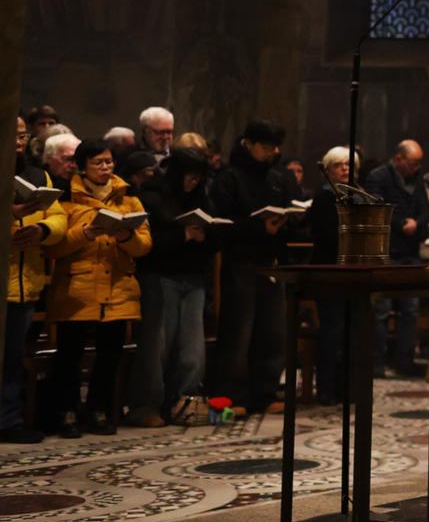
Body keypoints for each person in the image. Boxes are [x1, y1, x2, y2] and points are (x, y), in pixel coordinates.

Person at [45, 140, 153, 436]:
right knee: (70, 356)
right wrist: (86, 233)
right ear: (82, 167)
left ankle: (99, 411)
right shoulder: (66, 199)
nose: (106, 168)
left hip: (118, 288)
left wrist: (123, 237)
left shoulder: (128, 198)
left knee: (109, 356)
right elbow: (54, 249)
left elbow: (144, 246)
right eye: (98, 163)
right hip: (77, 288)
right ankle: (65, 412)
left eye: (108, 162)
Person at [205, 119, 296, 415]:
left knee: (273, 332)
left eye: (275, 147)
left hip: (271, 262)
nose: (273, 152)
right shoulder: (228, 178)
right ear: (249, 144)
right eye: (266, 147)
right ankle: (232, 395)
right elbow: (221, 224)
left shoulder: (277, 177)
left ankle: (265, 393)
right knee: (239, 332)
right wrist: (260, 230)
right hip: (240, 262)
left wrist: (288, 220)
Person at [130, 147, 219, 426]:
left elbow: (216, 236)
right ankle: (147, 404)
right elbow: (148, 243)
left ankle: (184, 402)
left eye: (198, 179)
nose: (193, 184)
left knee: (192, 347)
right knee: (157, 343)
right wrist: (182, 235)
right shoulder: (152, 196)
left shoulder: (202, 198)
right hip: (160, 276)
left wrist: (206, 236)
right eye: (189, 178)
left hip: (193, 277)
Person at [5, 118, 66, 443]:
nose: (19, 140)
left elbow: (58, 215)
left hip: (26, 279)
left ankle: (9, 419)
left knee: (14, 357)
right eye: (14, 134)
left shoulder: (35, 174)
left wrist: (42, 230)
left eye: (23, 134)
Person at [363, 139, 429, 377]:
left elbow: (426, 210)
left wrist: (418, 223)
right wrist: (401, 223)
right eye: (413, 163)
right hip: (386, 251)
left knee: (410, 309)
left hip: (409, 254)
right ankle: (377, 362)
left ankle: (404, 360)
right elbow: (377, 208)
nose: (417, 168)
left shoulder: (417, 180)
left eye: (419, 163)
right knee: (381, 309)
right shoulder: (378, 177)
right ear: (399, 159)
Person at [307, 147, 351, 402]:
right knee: (331, 330)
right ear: (328, 170)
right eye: (338, 165)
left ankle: (348, 387)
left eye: (349, 164)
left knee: (350, 331)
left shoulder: (354, 196)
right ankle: (326, 388)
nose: (345, 169)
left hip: (351, 271)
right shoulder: (324, 199)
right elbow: (324, 237)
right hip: (329, 270)